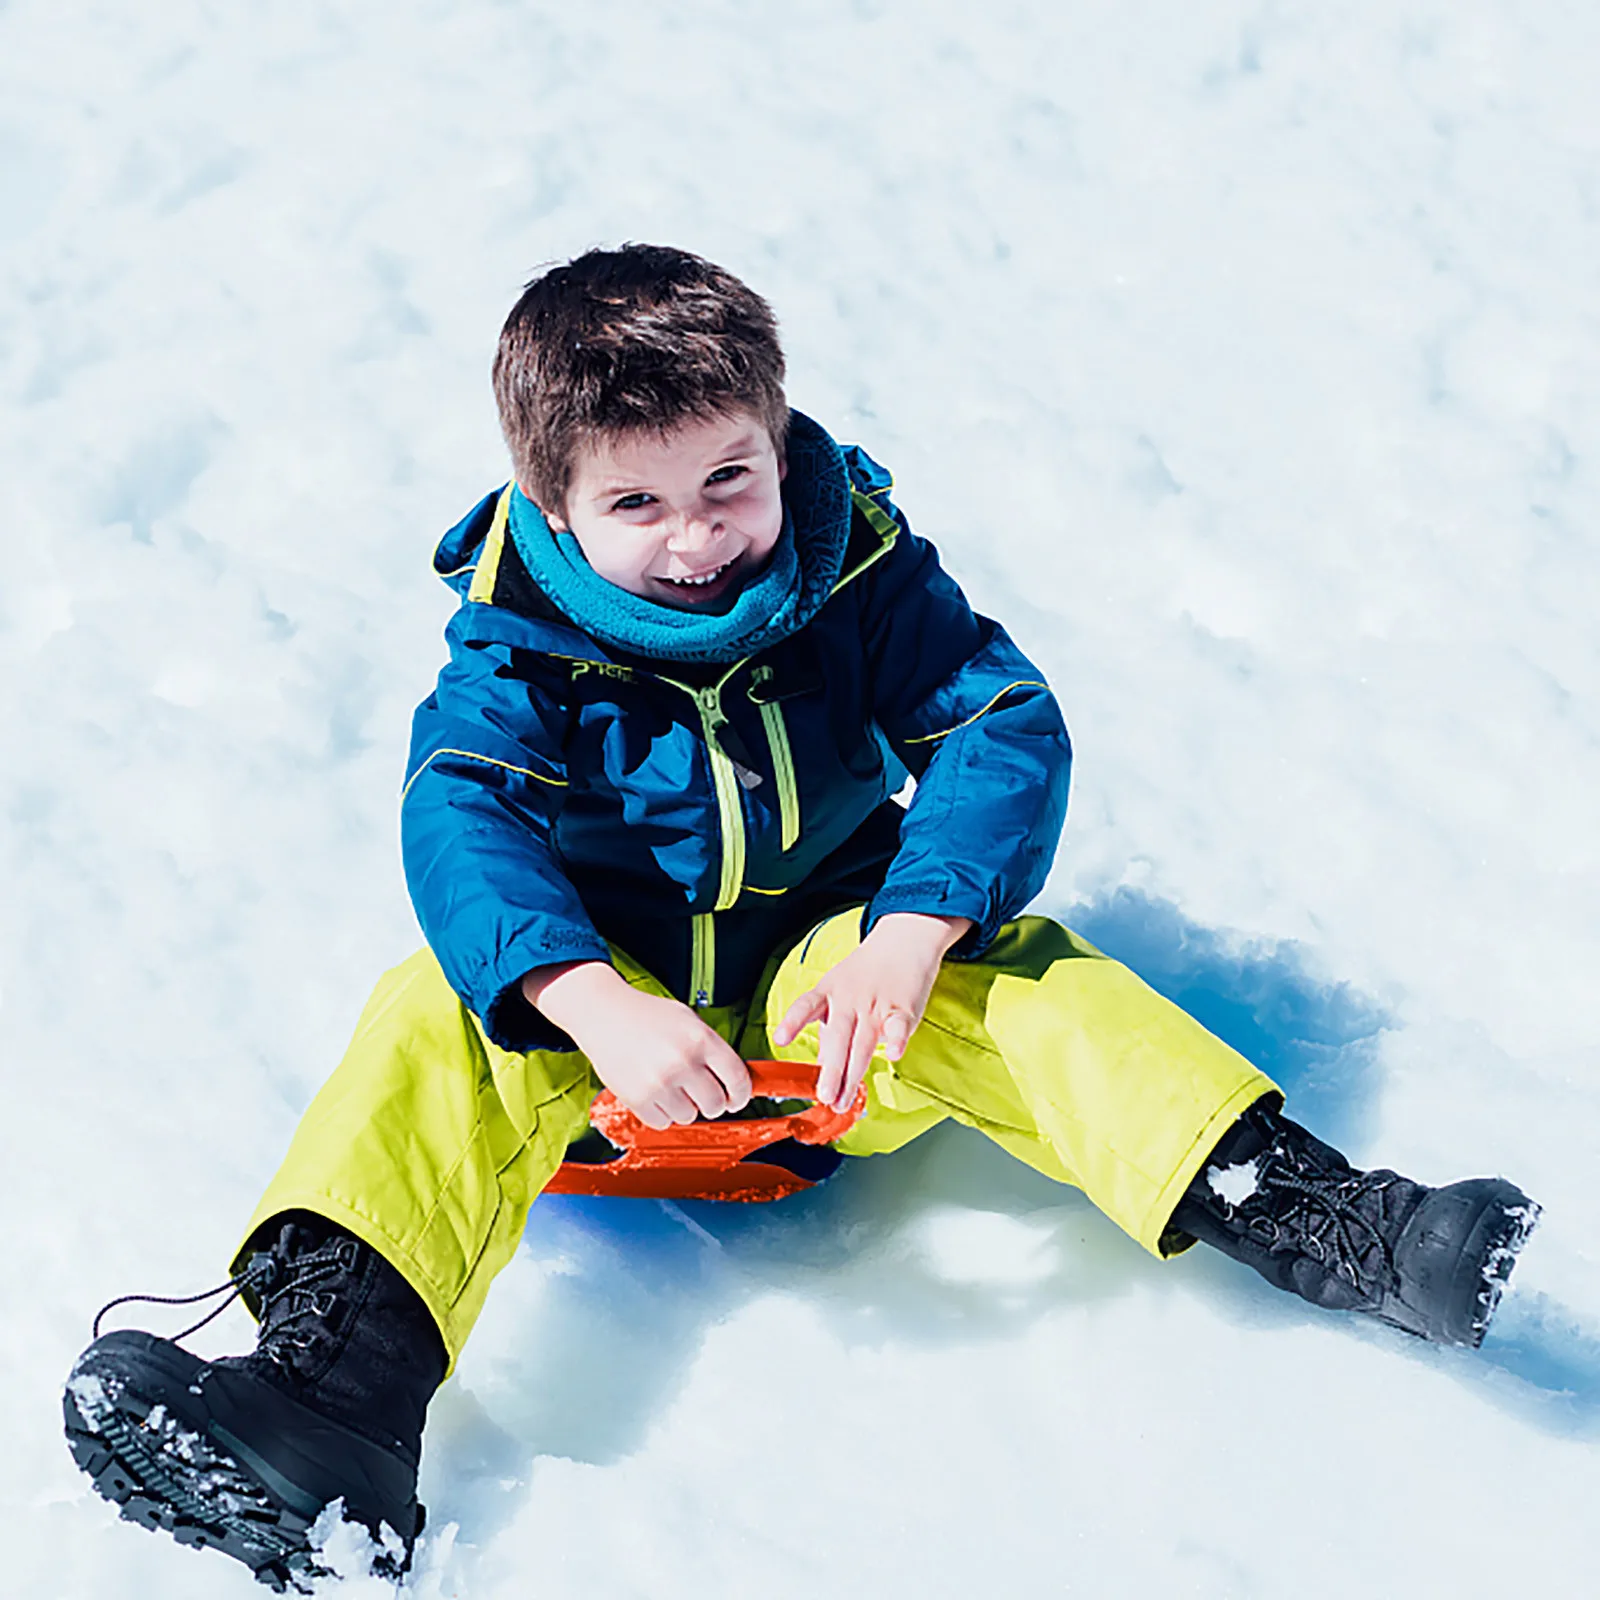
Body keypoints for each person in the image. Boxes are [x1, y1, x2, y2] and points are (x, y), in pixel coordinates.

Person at [63, 245, 1539, 1591]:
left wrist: (913, 930)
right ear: (552, 501)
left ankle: (1324, 1217)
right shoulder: (517, 645)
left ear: (778, 445)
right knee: (433, 1013)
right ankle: (333, 1408)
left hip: (827, 1029)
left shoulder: (861, 576)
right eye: (635, 504)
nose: (696, 538)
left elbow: (999, 723)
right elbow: (463, 814)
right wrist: (587, 997)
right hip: (606, 1056)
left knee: (1021, 979)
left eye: (727, 482)